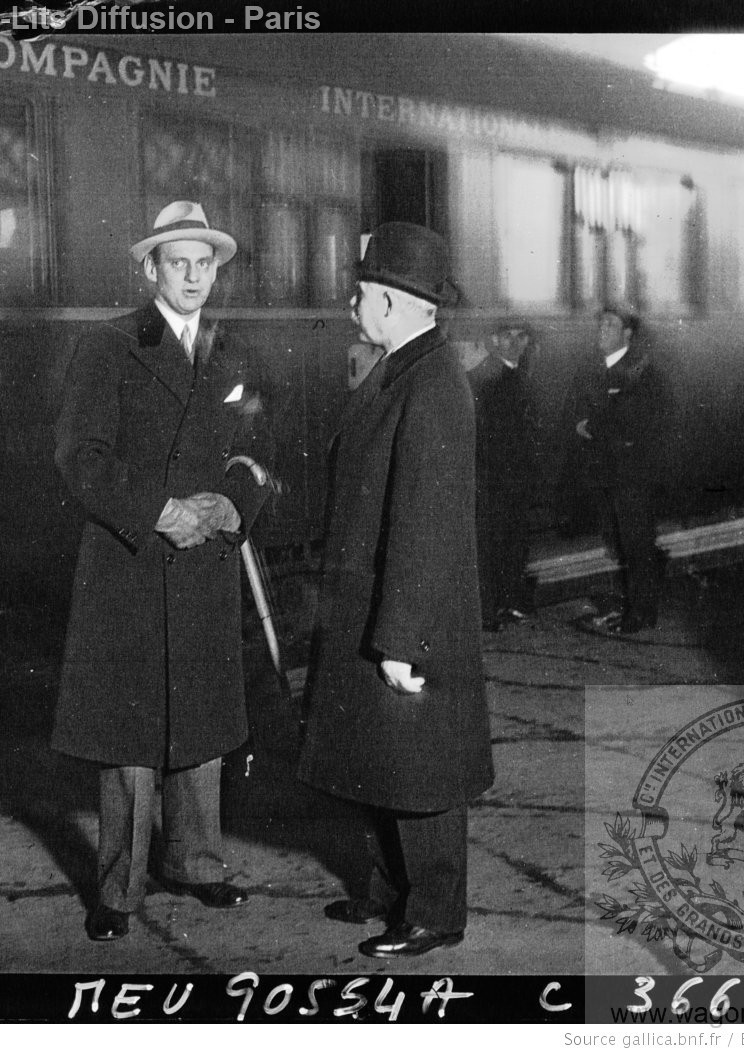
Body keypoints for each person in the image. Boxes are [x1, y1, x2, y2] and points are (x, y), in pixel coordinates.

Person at [52, 201, 273, 942]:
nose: (192, 275)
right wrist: (159, 510)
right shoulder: (108, 347)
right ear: (150, 269)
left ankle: (198, 865)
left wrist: (230, 500)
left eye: (203, 262)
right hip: (132, 562)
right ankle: (119, 888)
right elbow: (80, 459)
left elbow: (257, 452)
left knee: (202, 725)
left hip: (204, 560)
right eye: (177, 262)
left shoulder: (230, 354)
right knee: (130, 735)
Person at [297, 222, 493, 959]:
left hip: (408, 612)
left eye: (361, 293)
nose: (351, 306)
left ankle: (435, 912)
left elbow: (427, 523)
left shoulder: (433, 385)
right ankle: (388, 895)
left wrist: (401, 640)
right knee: (383, 760)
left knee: (421, 773)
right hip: (375, 600)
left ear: (394, 302)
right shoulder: (404, 369)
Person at [566, 304, 667, 634]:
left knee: (636, 544)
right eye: (601, 324)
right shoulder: (600, 369)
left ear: (628, 334)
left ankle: (640, 613)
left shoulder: (639, 371)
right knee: (621, 543)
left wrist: (590, 426)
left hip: (630, 475)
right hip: (608, 474)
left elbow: (632, 420)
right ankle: (630, 606)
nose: (602, 329)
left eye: (611, 324)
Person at [468, 323, 543, 630]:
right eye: (507, 337)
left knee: (512, 541)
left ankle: (508, 602)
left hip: (514, 478)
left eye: (520, 337)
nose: (514, 343)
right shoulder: (484, 378)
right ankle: (489, 611)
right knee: (491, 545)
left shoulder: (519, 376)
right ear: (494, 340)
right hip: (494, 479)